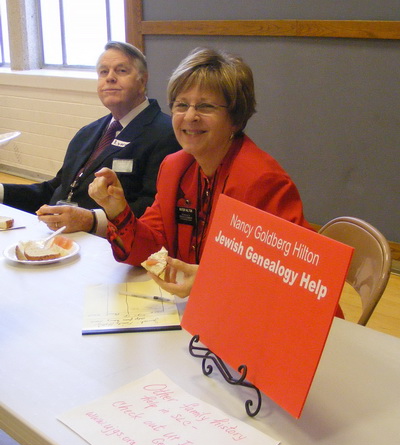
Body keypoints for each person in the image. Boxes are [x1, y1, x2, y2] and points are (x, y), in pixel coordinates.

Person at [88, 47, 313, 296]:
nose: (190, 116)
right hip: (192, 308)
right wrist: (117, 210)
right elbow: (150, 249)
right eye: (181, 105)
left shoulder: (261, 180)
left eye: (205, 107)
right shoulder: (175, 167)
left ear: (235, 118)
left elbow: (293, 277)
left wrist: (214, 281)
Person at [0, 41, 180, 236]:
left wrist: (90, 221)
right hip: (54, 236)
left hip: (109, 245)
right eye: (103, 72)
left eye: (121, 71)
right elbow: (55, 189)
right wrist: (2, 192)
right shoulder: (87, 132)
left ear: (143, 80)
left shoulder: (166, 134)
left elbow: (153, 209)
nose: (110, 78)